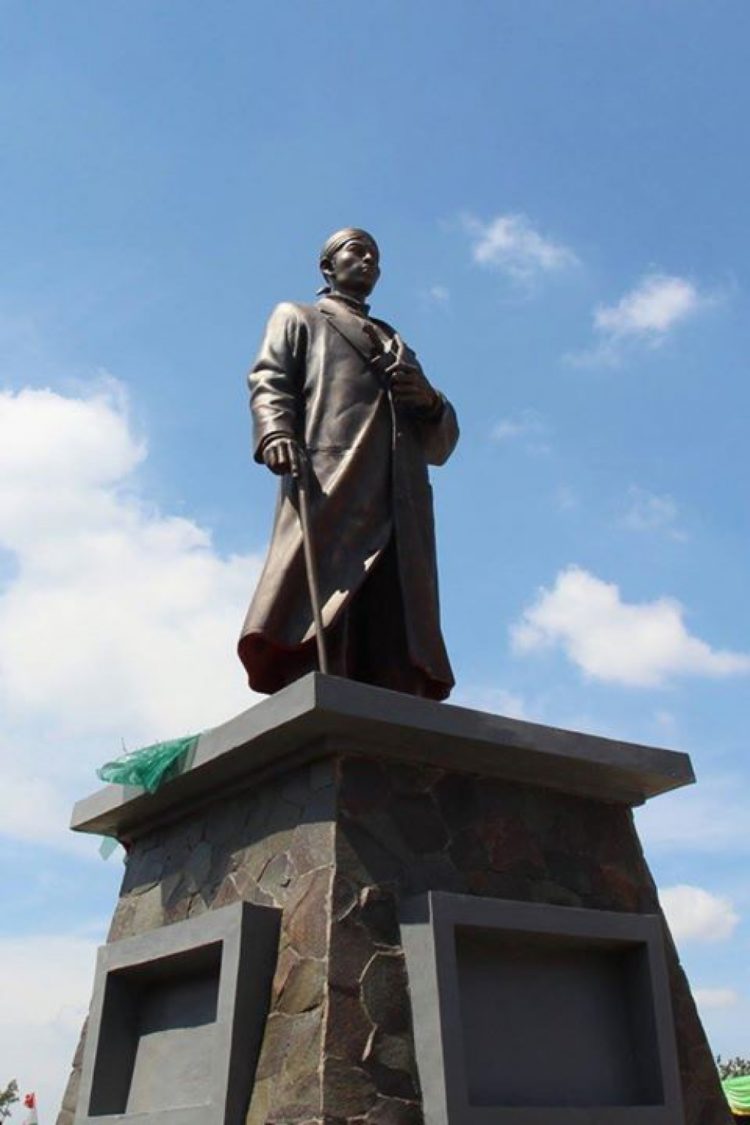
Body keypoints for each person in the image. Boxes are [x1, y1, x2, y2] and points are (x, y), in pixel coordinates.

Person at [237, 228, 458, 700]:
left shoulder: (398, 343)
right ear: (327, 267)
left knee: (393, 602)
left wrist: (431, 401)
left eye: (375, 256)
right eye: (356, 251)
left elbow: (440, 445)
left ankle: (391, 692)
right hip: (332, 477)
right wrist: (276, 431)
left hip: (399, 492)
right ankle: (318, 683)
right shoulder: (300, 317)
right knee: (325, 598)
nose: (368, 261)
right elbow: (269, 378)